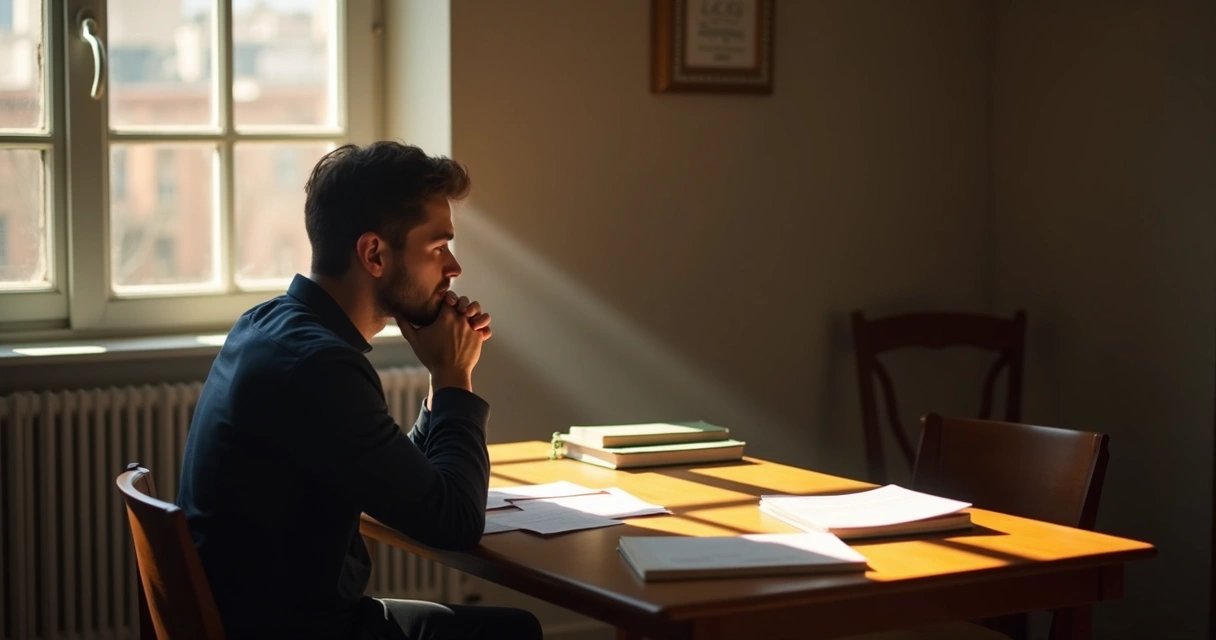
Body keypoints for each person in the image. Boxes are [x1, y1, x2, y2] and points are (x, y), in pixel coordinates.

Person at [177, 141, 543, 640]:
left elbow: (385, 477)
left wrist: (441, 377)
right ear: (373, 253)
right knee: (510, 633)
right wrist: (455, 376)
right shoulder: (320, 365)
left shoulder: (267, 325)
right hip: (299, 632)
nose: (454, 268)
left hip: (261, 620)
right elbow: (454, 521)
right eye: (438, 248)